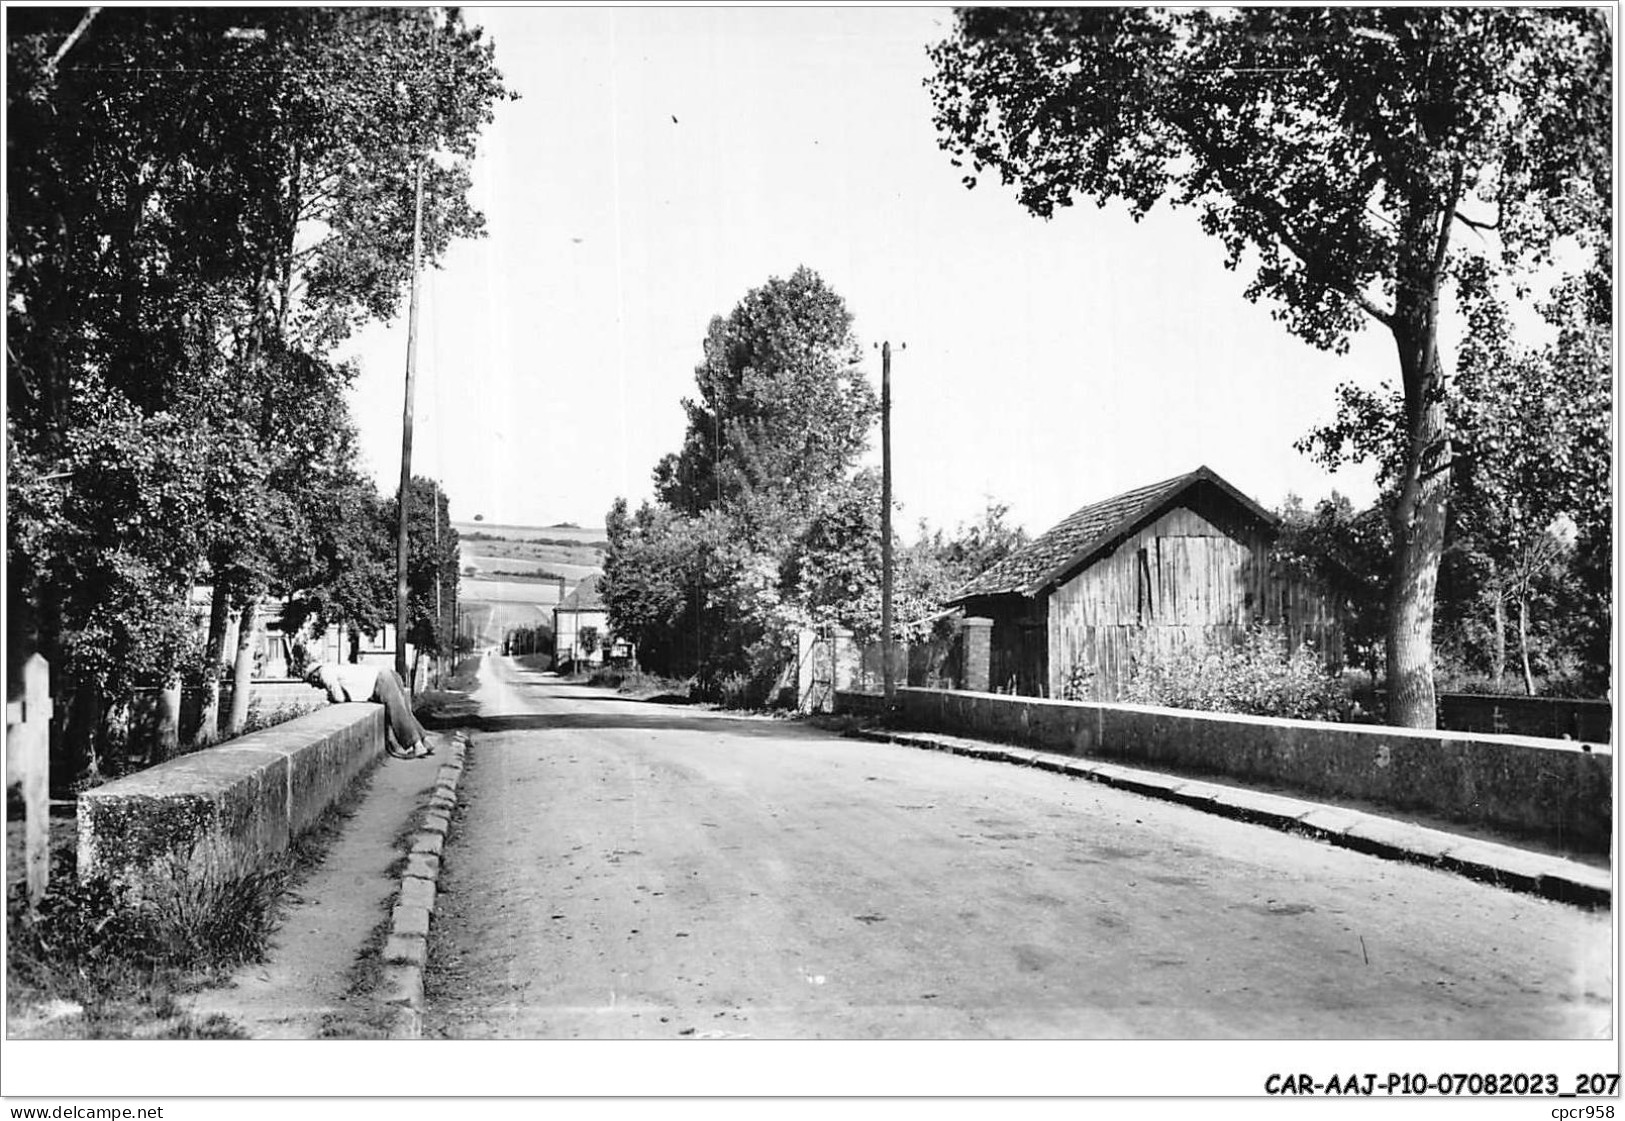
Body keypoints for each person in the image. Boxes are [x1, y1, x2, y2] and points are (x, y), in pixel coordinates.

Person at [305, 662, 436, 759]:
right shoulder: (334, 667)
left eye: (312, 682)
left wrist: (331, 697)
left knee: (397, 713)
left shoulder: (325, 673)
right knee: (404, 710)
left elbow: (338, 697)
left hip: (380, 679)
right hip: (386, 673)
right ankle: (424, 741)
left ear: (314, 674)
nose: (315, 686)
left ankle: (416, 745)